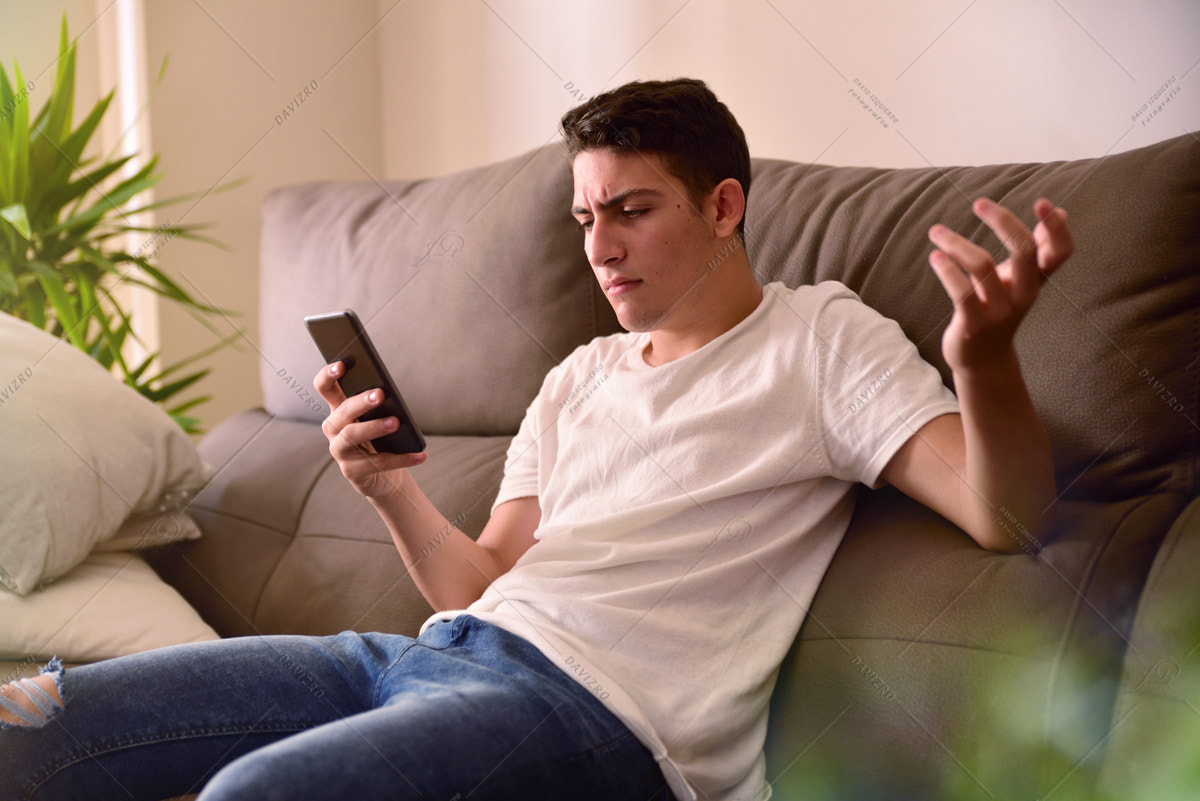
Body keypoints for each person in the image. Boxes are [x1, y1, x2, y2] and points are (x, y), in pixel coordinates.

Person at [0, 78, 1072, 801]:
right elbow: (477, 587)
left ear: (725, 205)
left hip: (589, 714)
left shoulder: (820, 339)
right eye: (585, 218)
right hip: (418, 661)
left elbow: (1004, 513)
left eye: (632, 212)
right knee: (32, 713)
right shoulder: (578, 375)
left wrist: (981, 359)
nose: (599, 249)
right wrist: (386, 491)